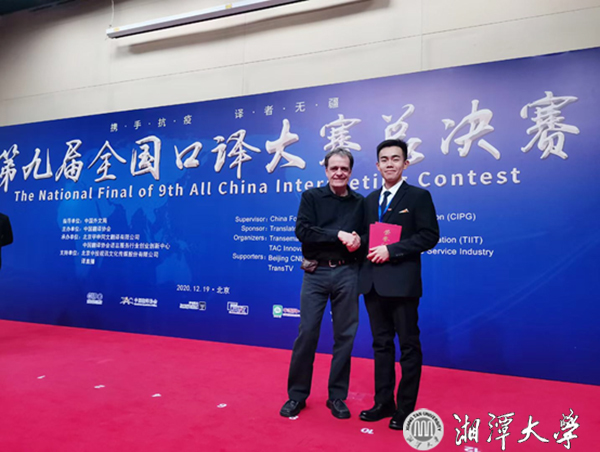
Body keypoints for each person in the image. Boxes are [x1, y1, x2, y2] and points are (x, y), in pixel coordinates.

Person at [358, 139, 439, 430]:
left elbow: (429, 236)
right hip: (372, 284)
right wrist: (356, 241)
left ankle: (405, 408)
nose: (389, 163)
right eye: (384, 159)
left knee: (408, 346)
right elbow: (365, 236)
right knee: (381, 345)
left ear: (405, 163)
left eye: (395, 158)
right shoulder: (369, 200)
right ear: (377, 165)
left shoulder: (418, 196)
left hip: (402, 284)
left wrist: (392, 251)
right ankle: (383, 402)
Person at [280, 147, 364, 420]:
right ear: (326, 170)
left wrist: (359, 240)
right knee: (307, 333)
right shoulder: (311, 197)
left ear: (350, 172)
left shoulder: (360, 203)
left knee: (345, 336)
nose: (339, 173)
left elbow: (366, 235)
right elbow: (303, 231)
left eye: (344, 168)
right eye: (334, 168)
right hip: (315, 273)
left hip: (348, 272)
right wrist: (338, 235)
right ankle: (297, 395)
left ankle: (337, 397)